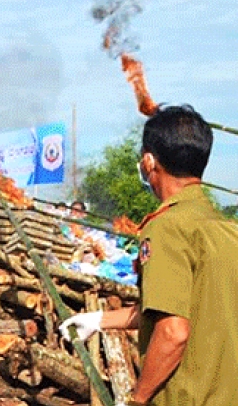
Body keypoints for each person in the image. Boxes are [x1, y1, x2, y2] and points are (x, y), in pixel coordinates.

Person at [59, 105, 238, 406]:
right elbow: (171, 309)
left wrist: (137, 399)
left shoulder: (167, 227)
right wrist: (99, 319)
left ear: (149, 161)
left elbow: (173, 331)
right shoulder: (226, 229)